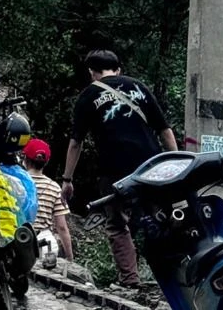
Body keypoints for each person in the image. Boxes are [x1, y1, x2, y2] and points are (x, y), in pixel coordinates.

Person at [61, 50, 178, 289]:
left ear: (92, 72)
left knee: (116, 223)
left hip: (114, 171)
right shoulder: (139, 87)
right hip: (151, 166)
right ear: (118, 69)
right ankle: (176, 276)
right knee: (163, 217)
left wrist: (67, 179)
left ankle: (129, 281)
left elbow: (76, 142)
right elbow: (164, 130)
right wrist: (174, 163)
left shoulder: (88, 95)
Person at [23, 139, 73, 263]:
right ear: (46, 162)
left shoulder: (16, 181)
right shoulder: (54, 187)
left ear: (25, 158)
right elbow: (61, 227)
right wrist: (70, 258)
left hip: (20, 236)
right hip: (44, 242)